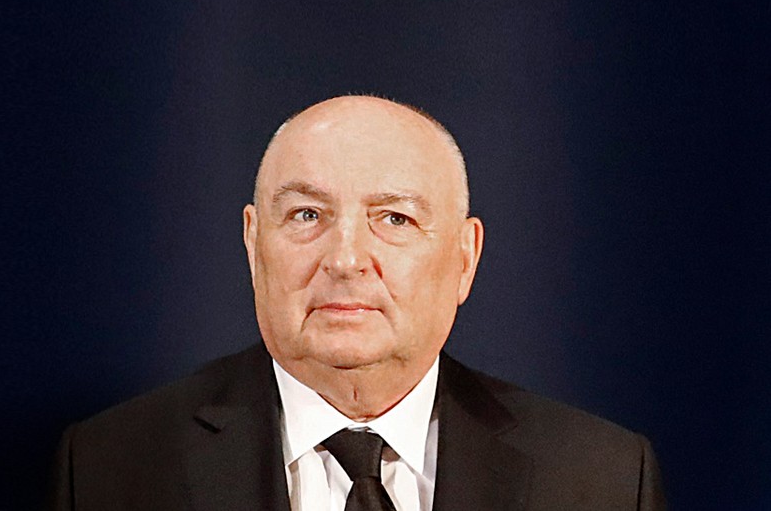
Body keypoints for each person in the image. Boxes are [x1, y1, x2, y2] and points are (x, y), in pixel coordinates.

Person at [48, 95, 666, 510]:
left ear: (465, 258)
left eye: (394, 219)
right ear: (253, 244)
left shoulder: (601, 480)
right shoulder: (110, 468)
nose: (345, 259)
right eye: (306, 215)